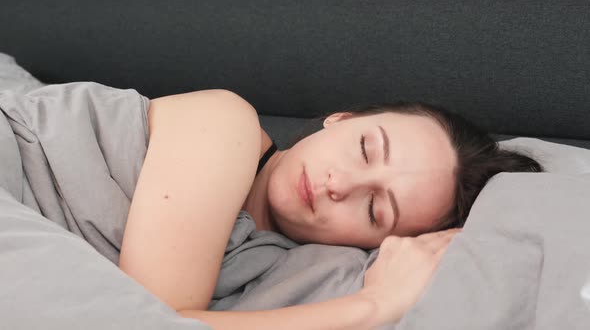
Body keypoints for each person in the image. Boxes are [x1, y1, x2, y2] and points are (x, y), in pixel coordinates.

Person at [118, 89, 543, 329]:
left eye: (374, 209)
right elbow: (138, 322)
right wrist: (375, 304)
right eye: (363, 148)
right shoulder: (225, 124)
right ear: (340, 118)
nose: (338, 184)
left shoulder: (294, 270)